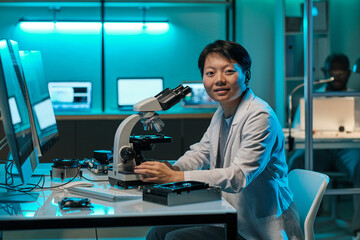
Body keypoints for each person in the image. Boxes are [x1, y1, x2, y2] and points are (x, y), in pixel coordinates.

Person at [134, 40, 304, 240]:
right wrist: (175, 169)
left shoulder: (260, 116)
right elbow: (200, 153)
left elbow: (238, 177)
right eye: (210, 73)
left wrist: (175, 178)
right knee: (156, 233)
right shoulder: (221, 113)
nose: (219, 80)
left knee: (174, 239)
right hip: (231, 216)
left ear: (246, 75)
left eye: (229, 71)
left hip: (259, 229)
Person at [288, 53, 360, 240]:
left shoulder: (356, 97)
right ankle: (292, 224)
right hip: (317, 149)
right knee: (296, 161)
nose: (336, 76)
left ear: (349, 72)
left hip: (347, 149)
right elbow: (297, 130)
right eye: (332, 72)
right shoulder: (311, 96)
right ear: (324, 72)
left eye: (341, 72)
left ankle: (358, 227)